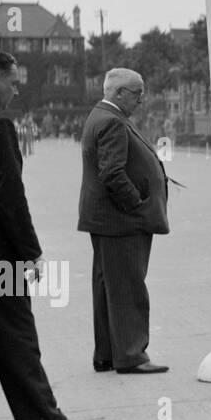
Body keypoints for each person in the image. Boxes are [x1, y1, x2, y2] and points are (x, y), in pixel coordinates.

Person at [0, 48, 94, 420]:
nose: (17, 92)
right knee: (16, 340)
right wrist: (31, 253)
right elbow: (9, 197)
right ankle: (41, 419)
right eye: (15, 83)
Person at [77, 67, 170, 374]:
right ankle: (131, 355)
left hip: (106, 221)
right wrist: (138, 204)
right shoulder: (112, 122)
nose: (142, 99)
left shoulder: (102, 116)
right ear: (118, 93)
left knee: (108, 288)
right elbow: (113, 173)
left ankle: (107, 353)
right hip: (120, 223)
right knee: (128, 288)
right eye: (137, 93)